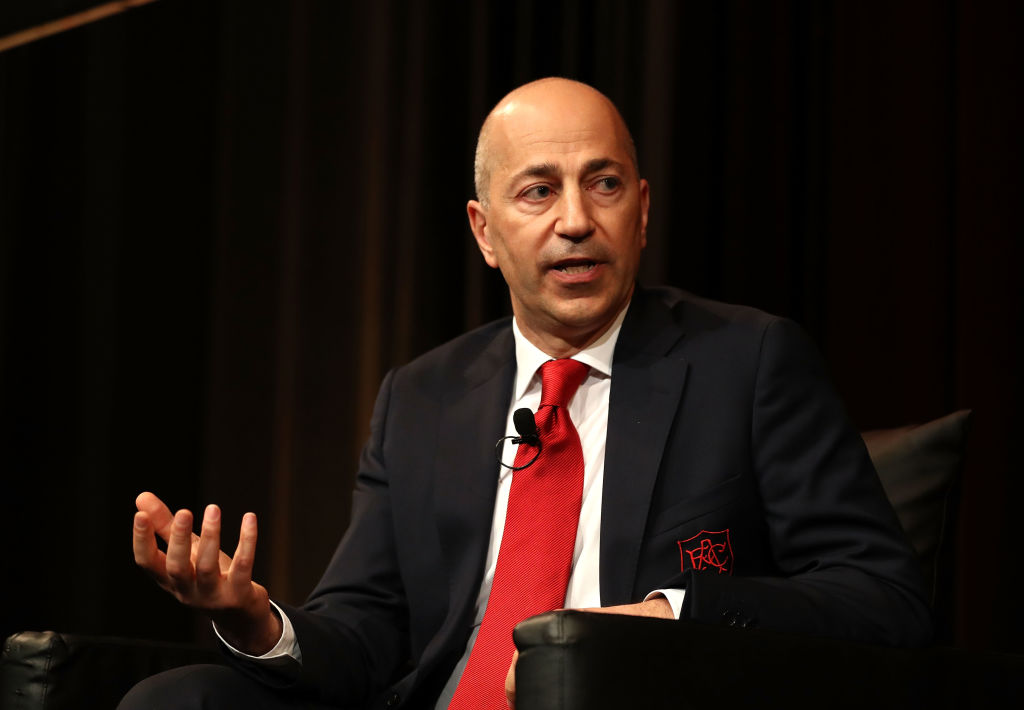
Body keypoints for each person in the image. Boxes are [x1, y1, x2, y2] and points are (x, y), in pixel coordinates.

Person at [120, 78, 930, 710]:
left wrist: (670, 615)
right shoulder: (424, 396)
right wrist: (253, 618)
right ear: (484, 231)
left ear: (642, 212)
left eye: (604, 184)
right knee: (176, 699)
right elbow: (366, 634)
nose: (576, 220)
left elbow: (882, 600)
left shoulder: (747, 362)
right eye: (539, 191)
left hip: (629, 702)